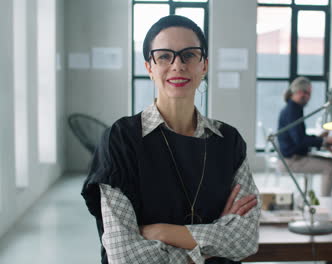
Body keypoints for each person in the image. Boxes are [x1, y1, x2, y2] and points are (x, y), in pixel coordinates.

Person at [81, 15, 260, 264]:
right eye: (164, 56)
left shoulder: (228, 140)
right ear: (149, 67)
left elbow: (245, 239)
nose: (178, 65)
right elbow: (124, 256)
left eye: (189, 55)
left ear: (204, 65)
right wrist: (210, 245)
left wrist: (162, 232)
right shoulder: (120, 140)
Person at [277, 76, 332, 196]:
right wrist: (324, 141)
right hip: (291, 160)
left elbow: (299, 136)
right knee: (330, 166)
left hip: (295, 156)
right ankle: (325, 203)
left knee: (330, 161)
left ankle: (322, 200)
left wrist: (319, 138)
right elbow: (299, 140)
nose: (309, 98)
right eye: (309, 94)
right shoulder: (293, 110)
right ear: (301, 92)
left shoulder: (293, 108)